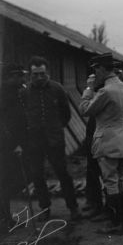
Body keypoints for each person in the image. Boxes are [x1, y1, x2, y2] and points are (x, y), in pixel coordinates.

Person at [80, 53, 123, 233]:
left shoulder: (105, 91)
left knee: (110, 182)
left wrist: (88, 88)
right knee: (121, 180)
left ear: (101, 69)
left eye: (96, 70)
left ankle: (115, 223)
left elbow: (85, 109)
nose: (95, 74)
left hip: (107, 142)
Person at [18, 56, 81, 220]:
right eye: (35, 74)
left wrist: (56, 128)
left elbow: (66, 114)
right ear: (30, 74)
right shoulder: (24, 92)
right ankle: (45, 209)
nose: (39, 77)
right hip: (34, 142)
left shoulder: (57, 89)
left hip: (55, 140)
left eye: (42, 74)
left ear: (48, 73)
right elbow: (22, 117)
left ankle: (73, 207)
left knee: (62, 173)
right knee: (37, 175)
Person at [0, 64, 28, 228]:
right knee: (7, 181)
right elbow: (2, 123)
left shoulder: (15, 91)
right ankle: (4, 218)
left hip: (15, 143)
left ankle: (3, 216)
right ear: (12, 77)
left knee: (11, 181)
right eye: (20, 76)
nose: (23, 79)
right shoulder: (4, 94)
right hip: (7, 146)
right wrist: (14, 144)